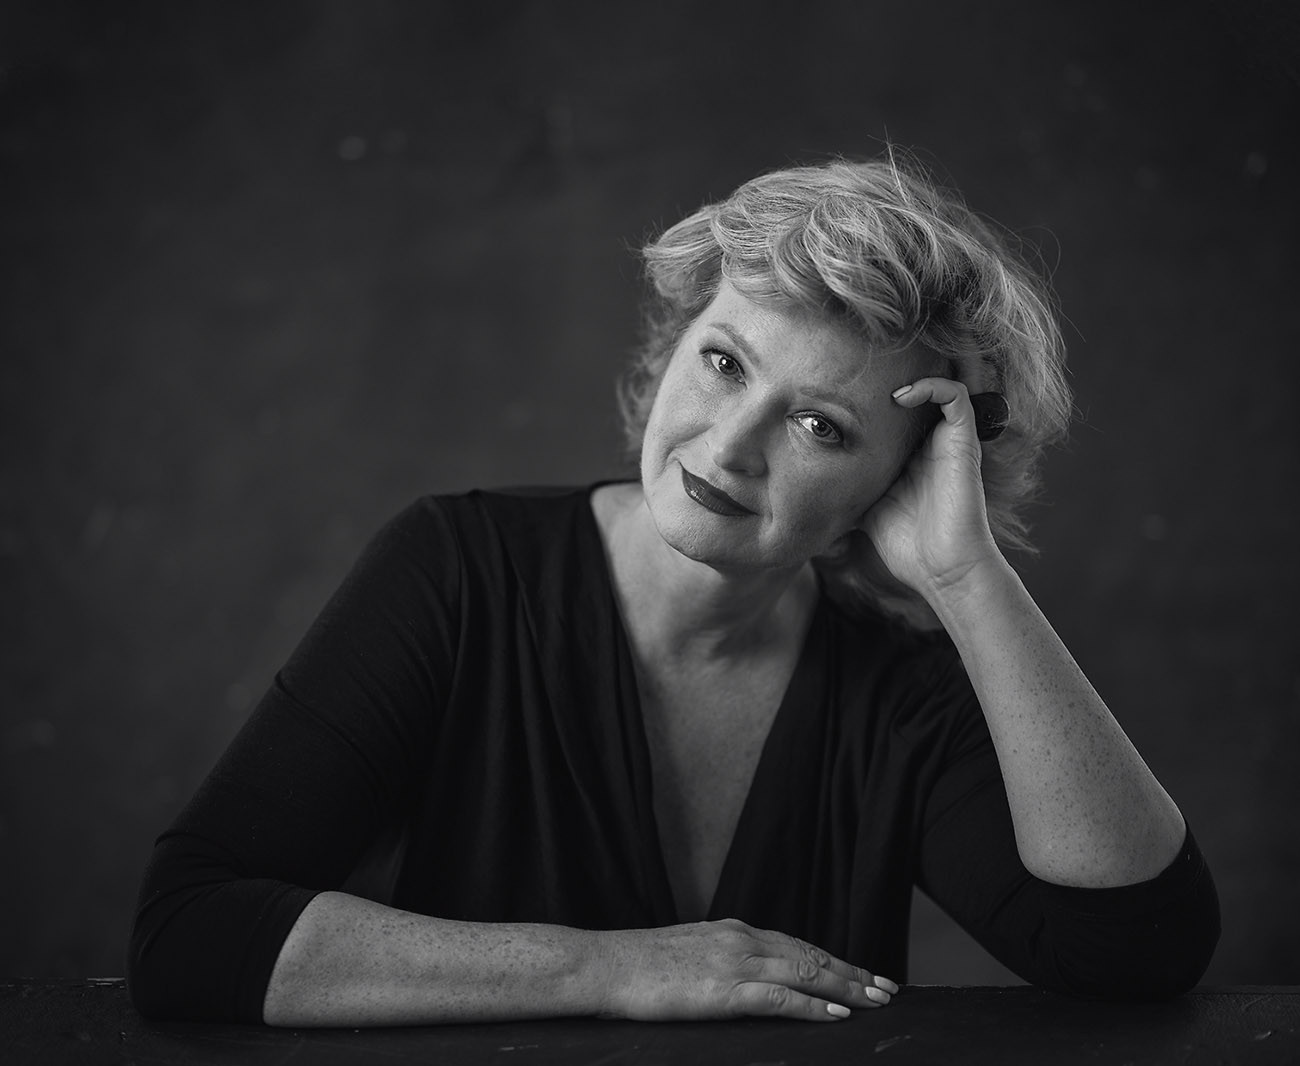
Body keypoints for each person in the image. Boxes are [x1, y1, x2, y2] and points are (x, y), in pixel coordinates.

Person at [128, 154, 1219, 1026]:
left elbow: (1135, 951)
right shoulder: (459, 570)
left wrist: (965, 576)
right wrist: (610, 968)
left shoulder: (898, 692)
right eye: (725, 362)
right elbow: (190, 933)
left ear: (897, 484)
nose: (730, 444)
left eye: (819, 426)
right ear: (675, 343)